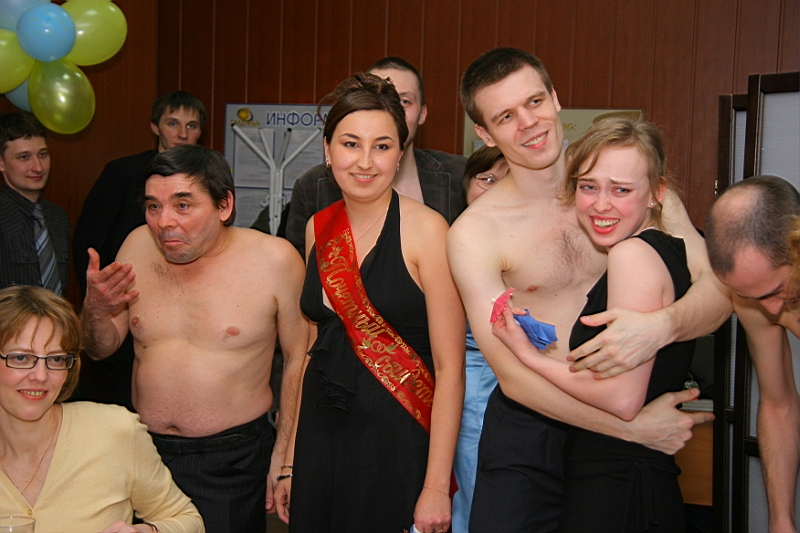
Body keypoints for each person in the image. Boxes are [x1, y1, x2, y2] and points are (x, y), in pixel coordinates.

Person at [448, 48, 730, 532]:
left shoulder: (627, 184)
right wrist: (632, 427)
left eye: (534, 102)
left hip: (617, 426)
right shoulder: (475, 234)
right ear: (485, 133)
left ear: (555, 98)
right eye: (506, 116)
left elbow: (719, 294)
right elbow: (511, 375)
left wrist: (661, 326)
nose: (529, 123)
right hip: (534, 427)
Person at [80, 145, 309, 532]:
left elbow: (299, 359)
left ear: (224, 205)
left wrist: (284, 459)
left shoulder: (275, 260)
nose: (164, 222)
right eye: (153, 206)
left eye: (183, 205)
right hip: (144, 451)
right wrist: (96, 311)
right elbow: (100, 348)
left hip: (231, 461)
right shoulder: (136, 245)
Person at [275, 73, 465, 533]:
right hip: (321, 432)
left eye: (381, 146)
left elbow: (450, 367)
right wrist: (290, 460)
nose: (364, 161)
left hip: (395, 438)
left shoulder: (428, 231)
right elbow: (312, 349)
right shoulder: (317, 227)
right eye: (350, 144)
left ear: (400, 153)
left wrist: (436, 486)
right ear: (327, 149)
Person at [493, 117, 695, 532]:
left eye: (620, 190)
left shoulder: (632, 256)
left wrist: (528, 357)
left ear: (656, 194)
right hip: (625, 477)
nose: (601, 204)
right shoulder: (663, 251)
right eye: (589, 187)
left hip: (619, 486)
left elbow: (622, 399)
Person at [0, 285, 204, 533]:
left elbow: (188, 520)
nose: (41, 376)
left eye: (56, 359)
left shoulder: (113, 430)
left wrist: (147, 532)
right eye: (21, 358)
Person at [72, 91, 206, 409]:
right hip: (127, 307)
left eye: (192, 126)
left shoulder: (208, 178)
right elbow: (89, 242)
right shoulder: (122, 173)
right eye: (173, 123)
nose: (183, 133)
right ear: (155, 127)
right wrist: (107, 298)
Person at [284, 56, 467, 256]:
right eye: (374, 96)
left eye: (404, 101)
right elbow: (297, 267)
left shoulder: (460, 176)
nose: (389, 108)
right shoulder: (312, 189)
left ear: (423, 113)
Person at [705, 175, 800, 533]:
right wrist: (781, 520)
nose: (772, 310)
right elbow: (778, 405)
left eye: (777, 290)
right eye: (751, 297)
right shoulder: (754, 297)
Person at [452, 145, 507, 533]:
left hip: (532, 377)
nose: (495, 190)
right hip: (469, 378)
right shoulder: (451, 239)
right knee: (471, 483)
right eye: (486, 179)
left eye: (508, 181)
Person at [0, 112, 69, 296]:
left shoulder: (57, 217)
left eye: (43, 154)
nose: (38, 167)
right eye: (24, 157)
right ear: (1, 163)